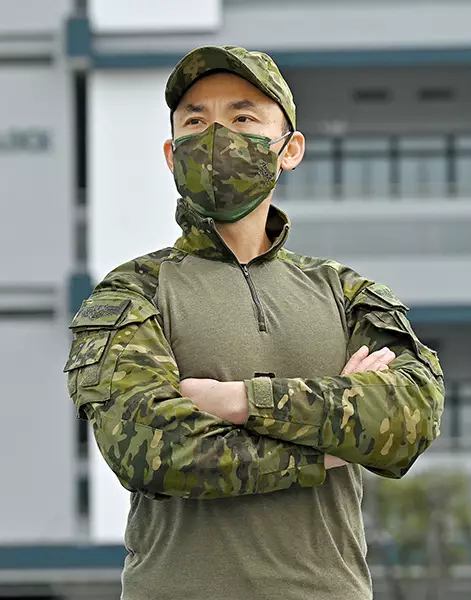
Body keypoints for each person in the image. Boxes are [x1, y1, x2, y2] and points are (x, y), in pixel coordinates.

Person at [64, 45, 444, 600]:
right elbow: (151, 450)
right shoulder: (133, 291)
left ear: (290, 149)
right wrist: (334, 446)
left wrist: (239, 400)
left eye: (243, 118)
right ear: (171, 154)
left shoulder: (345, 292)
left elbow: (412, 416)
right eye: (196, 121)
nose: (217, 135)